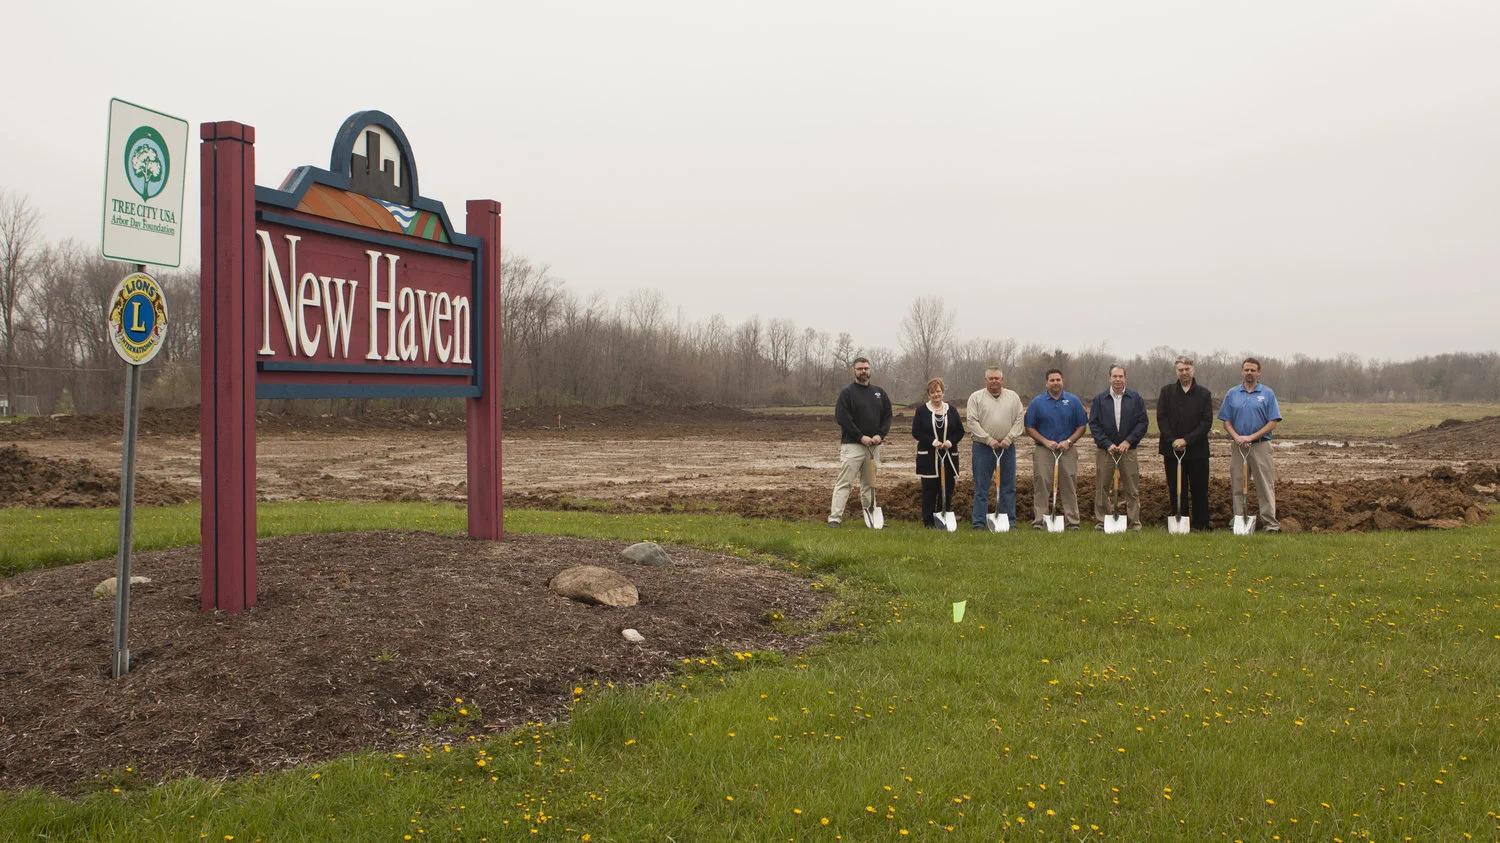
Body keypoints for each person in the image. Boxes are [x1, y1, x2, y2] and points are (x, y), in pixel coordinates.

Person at [1218, 357, 1283, 532]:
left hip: (1260, 446)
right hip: (1239, 446)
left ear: (1259, 373)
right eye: (1246, 370)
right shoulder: (1233, 393)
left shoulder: (1267, 394)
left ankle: (1270, 524)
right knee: (1238, 485)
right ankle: (1240, 520)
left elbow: (1273, 422)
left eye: (1253, 370)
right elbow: (1226, 421)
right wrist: (1237, 437)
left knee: (1264, 486)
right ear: (1242, 371)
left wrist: (1251, 437)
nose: (1249, 373)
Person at [829, 357, 893, 527]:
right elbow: (843, 418)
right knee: (845, 482)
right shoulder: (847, 393)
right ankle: (835, 518)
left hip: (873, 447)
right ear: (854, 370)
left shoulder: (879, 393)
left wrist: (880, 435)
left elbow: (887, 416)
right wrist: (860, 436)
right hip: (853, 446)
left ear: (870, 369)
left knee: (870, 484)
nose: (863, 371)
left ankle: (871, 517)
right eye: (860, 368)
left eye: (866, 368)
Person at [1024, 369, 1088, 530]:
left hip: (1067, 450)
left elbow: (1082, 426)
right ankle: (1039, 521)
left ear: (1063, 381)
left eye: (1058, 380)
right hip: (1044, 450)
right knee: (1042, 484)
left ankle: (1073, 522)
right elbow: (1029, 427)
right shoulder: (1037, 403)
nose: (1055, 383)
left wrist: (1069, 442)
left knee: (1069, 485)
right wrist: (1045, 442)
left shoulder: (1073, 401)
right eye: (1052, 380)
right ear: (1046, 383)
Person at [1087, 365, 1149, 531]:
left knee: (1132, 488)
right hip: (1105, 452)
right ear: (1109, 378)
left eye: (1120, 376)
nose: (1117, 380)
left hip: (1128, 451)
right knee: (1102, 488)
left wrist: (1128, 441)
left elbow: (1143, 423)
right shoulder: (1100, 399)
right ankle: (1102, 521)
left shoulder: (1135, 398)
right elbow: (1093, 424)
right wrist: (1107, 444)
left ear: (1125, 378)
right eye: (1114, 376)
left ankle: (1134, 523)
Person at [1156, 356, 1214, 531]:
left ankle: (1201, 524)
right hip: (1172, 450)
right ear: (1176, 372)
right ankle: (1180, 522)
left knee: (1199, 489)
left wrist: (1187, 440)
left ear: (1193, 370)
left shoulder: (1204, 394)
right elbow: (1161, 418)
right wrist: (1173, 440)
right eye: (1180, 369)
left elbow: (1206, 422)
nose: (1184, 372)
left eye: (1187, 369)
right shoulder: (1167, 392)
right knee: (1176, 488)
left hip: (1197, 451)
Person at [967, 366, 1024, 529]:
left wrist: (1009, 438)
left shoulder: (1013, 397)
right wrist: (988, 439)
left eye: (997, 378)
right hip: (983, 448)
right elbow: (971, 421)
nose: (994, 381)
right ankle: (978, 522)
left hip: (1007, 448)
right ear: (986, 380)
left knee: (1008, 486)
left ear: (1002, 380)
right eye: (991, 378)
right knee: (981, 486)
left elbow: (1019, 420)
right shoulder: (976, 397)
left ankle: (1008, 522)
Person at [912, 377, 965, 528]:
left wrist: (950, 442)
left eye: (938, 391)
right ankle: (928, 522)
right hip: (929, 458)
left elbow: (960, 431)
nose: (936, 395)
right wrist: (933, 442)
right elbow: (916, 432)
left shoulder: (952, 410)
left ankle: (943, 518)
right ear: (928, 395)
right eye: (932, 392)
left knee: (947, 489)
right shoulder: (921, 411)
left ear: (943, 392)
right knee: (929, 490)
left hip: (948, 457)